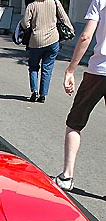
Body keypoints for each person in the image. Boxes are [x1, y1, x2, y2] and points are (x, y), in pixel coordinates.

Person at [54, 0, 105, 192]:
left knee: (75, 122)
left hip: (98, 71)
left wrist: (70, 69)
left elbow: (85, 36)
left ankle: (67, 176)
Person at [21, 0, 73, 103]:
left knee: (33, 67)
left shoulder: (32, 5)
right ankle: (43, 94)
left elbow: (25, 24)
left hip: (35, 41)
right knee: (47, 68)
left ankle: (34, 91)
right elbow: (64, 18)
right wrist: (71, 30)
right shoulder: (55, 2)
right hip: (52, 40)